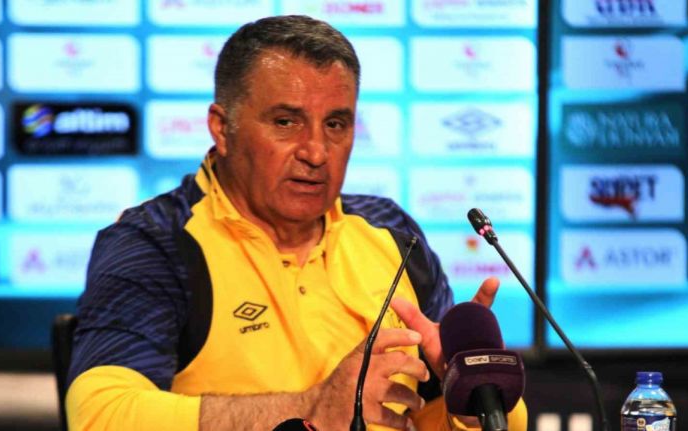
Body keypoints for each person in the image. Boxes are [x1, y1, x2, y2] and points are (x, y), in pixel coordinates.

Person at [66, 15, 527, 431]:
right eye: (286, 122)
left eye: (336, 125)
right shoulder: (156, 242)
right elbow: (100, 416)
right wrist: (311, 409)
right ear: (222, 128)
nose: (316, 152)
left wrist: (474, 401)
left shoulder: (391, 233)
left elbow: (429, 419)